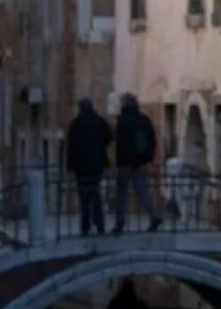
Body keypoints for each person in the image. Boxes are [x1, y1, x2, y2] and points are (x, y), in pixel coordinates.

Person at [64, 96, 115, 237]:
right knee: (95, 194)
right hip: (96, 165)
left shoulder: (75, 124)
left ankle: (85, 226)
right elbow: (109, 139)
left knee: (83, 197)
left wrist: (69, 166)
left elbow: (71, 147)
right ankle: (99, 225)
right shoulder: (99, 122)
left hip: (80, 166)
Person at [112, 93, 162, 233]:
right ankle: (153, 215)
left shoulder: (122, 121)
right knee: (142, 190)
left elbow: (119, 142)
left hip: (124, 162)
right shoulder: (144, 120)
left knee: (121, 192)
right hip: (140, 161)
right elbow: (152, 139)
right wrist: (149, 157)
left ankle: (120, 222)